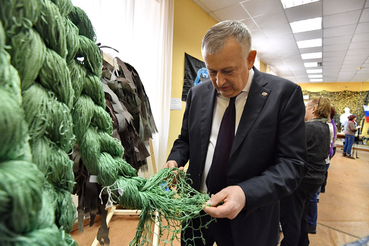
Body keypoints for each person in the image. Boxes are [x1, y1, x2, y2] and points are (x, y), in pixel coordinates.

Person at [164, 20, 307, 246]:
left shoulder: (284, 95)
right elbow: (185, 140)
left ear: (250, 59)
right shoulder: (197, 94)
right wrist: (174, 159)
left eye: (228, 71)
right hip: (195, 213)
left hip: (249, 222)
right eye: (212, 71)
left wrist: (245, 193)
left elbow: (291, 165)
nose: (219, 82)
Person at [280, 96, 331, 246]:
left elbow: (290, 148)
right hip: (315, 178)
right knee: (301, 213)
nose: (305, 111)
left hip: (303, 178)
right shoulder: (325, 127)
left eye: (307, 108)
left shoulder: (309, 127)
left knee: (291, 218)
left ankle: (290, 243)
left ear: (314, 109)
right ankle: (303, 241)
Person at [307, 106, 337, 234]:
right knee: (313, 196)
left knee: (311, 197)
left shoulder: (318, 127)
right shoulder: (328, 126)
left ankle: (311, 224)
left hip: (316, 168)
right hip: (321, 166)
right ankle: (310, 224)